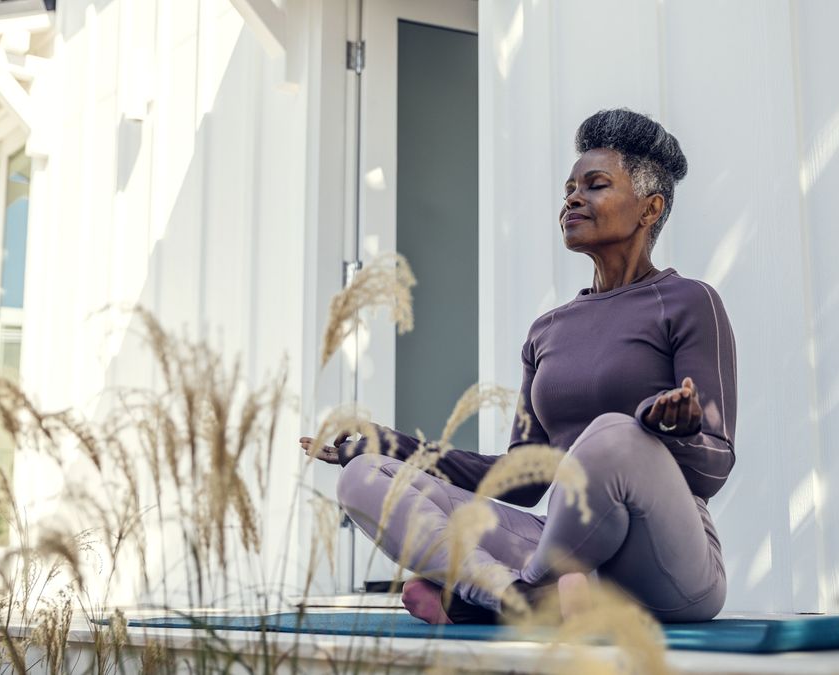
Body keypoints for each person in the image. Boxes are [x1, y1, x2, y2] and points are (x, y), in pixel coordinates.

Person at [300, 108, 737, 625]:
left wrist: (675, 431)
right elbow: (523, 478)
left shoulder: (688, 301)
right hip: (570, 557)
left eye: (595, 185)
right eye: (569, 188)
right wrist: (390, 444)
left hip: (668, 569)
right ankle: (516, 595)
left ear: (649, 208)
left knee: (614, 433)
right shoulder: (548, 330)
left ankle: (512, 594)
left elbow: (714, 468)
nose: (573, 198)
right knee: (364, 477)